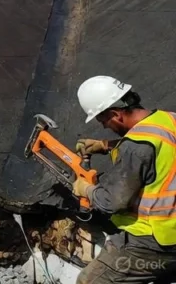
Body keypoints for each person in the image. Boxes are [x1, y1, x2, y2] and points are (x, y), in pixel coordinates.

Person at [70, 75, 176, 284]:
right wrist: (107, 145)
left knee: (90, 281)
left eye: (103, 121)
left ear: (116, 115)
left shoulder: (136, 147)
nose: (103, 127)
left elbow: (112, 202)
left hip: (155, 243)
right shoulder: (169, 119)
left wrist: (86, 189)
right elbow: (157, 149)